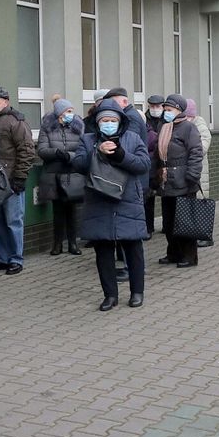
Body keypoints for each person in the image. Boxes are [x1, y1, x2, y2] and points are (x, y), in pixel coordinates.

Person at [72, 104, 150, 310]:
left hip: (128, 200)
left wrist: (120, 155)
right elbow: (78, 164)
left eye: (113, 121)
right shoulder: (87, 140)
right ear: (98, 123)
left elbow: (144, 165)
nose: (109, 124)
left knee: (133, 249)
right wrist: (97, 151)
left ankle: (137, 292)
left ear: (120, 121)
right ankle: (110, 295)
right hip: (99, 201)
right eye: (104, 121)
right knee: (103, 252)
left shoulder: (132, 138)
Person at [0, 87, 37, 275]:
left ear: (6, 101)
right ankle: (1, 258)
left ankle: (15, 258)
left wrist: (20, 177)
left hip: (11, 180)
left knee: (13, 220)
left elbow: (27, 150)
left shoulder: (16, 121)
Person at [155, 94, 205, 268]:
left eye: (169, 109)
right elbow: (158, 153)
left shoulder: (188, 128)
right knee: (169, 222)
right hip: (166, 180)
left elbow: (196, 153)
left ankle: (189, 256)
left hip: (184, 181)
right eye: (165, 109)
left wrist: (192, 175)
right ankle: (173, 253)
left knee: (185, 221)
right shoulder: (164, 126)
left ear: (179, 110)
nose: (165, 112)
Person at [37, 98, 85, 255]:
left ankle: (72, 243)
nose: (70, 114)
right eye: (66, 112)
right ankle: (57, 244)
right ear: (59, 114)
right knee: (57, 211)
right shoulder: (47, 128)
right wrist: (56, 153)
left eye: (71, 111)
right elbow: (42, 149)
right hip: (54, 175)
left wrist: (69, 156)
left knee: (72, 211)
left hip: (72, 173)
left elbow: (82, 149)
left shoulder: (78, 127)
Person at [182, 99, 215, 247]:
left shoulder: (199, 125)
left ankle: (205, 236)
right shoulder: (188, 125)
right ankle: (194, 235)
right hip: (191, 170)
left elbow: (202, 146)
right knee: (193, 205)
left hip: (199, 172)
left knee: (200, 203)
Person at [143, 95, 165, 236]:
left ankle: (166, 226)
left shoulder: (166, 119)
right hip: (151, 163)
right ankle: (148, 227)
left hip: (162, 162)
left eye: (158, 106)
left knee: (165, 196)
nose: (155, 109)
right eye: (152, 106)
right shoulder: (145, 119)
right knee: (148, 197)